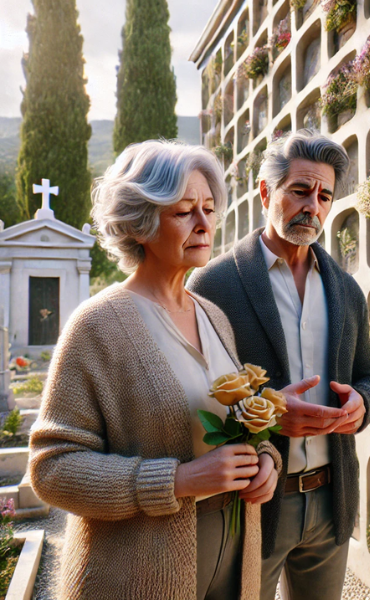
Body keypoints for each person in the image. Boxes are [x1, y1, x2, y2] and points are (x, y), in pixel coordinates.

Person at [28, 140, 286, 600]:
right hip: (138, 575)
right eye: (185, 211)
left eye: (208, 208)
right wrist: (177, 481)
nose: (205, 224)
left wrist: (266, 460)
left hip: (234, 561)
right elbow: (52, 469)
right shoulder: (97, 325)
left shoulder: (214, 317)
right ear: (141, 224)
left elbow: (236, 424)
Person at [187, 130, 370, 600]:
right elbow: (190, 396)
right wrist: (272, 414)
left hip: (330, 501)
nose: (312, 206)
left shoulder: (345, 289)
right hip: (251, 503)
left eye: (324, 195)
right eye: (299, 190)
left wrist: (363, 404)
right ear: (265, 193)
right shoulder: (213, 285)